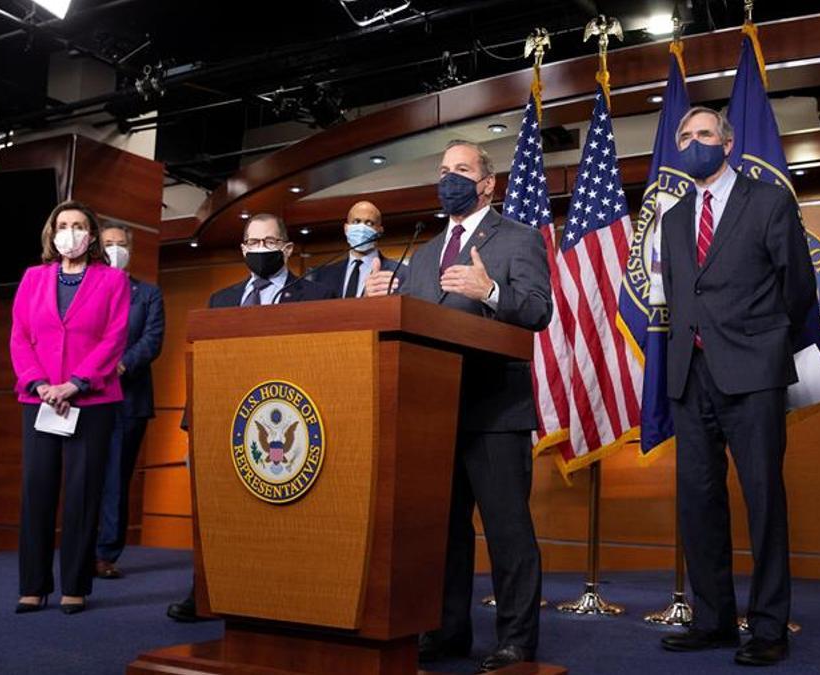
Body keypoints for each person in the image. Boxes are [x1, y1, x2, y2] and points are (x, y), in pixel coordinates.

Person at [365, 140, 552, 673]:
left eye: (462, 170)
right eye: (443, 170)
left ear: (487, 184)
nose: (450, 179)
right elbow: (423, 326)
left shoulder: (517, 237)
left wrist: (491, 289)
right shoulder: (424, 253)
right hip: (434, 413)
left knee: (507, 531)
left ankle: (516, 639)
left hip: (495, 410)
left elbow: (538, 310)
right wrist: (390, 302)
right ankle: (446, 631)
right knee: (443, 530)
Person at [657, 107, 815, 666]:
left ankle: (769, 626)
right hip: (689, 374)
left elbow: (798, 288)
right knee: (698, 502)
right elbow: (678, 293)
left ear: (726, 143)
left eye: (703, 133)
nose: (692, 142)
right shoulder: (673, 218)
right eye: (684, 136)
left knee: (764, 499)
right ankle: (714, 620)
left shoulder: (768, 201)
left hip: (754, 370)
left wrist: (762, 339)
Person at [166, 213, 335, 622]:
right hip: (227, 423)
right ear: (243, 249)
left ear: (288, 248)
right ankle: (206, 590)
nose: (261, 250)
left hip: (289, 423)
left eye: (270, 242)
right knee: (220, 512)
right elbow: (203, 364)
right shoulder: (221, 300)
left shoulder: (317, 296)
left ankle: (281, 593)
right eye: (253, 243)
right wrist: (194, 427)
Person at [10, 201, 130, 614]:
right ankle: (33, 584)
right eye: (63, 225)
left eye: (79, 226)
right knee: (38, 491)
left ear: (92, 235)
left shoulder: (113, 281)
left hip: (91, 399)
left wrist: (75, 383)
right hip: (39, 398)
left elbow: (113, 339)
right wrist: (40, 383)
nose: (71, 232)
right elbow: (20, 338)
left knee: (81, 495)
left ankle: (75, 586)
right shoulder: (32, 278)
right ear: (52, 233)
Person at [94, 223, 166, 579]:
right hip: (86, 396)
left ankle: (106, 553)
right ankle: (79, 547)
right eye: (108, 244)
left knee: (115, 478)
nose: (114, 249)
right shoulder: (83, 289)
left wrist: (119, 365)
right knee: (83, 476)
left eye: (120, 244)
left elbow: (152, 341)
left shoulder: (148, 293)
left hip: (128, 397)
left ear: (130, 250)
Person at [311, 200, 399, 298]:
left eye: (369, 223)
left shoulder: (400, 273)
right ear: (346, 228)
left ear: (380, 231)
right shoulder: (323, 275)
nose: (362, 228)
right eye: (356, 222)